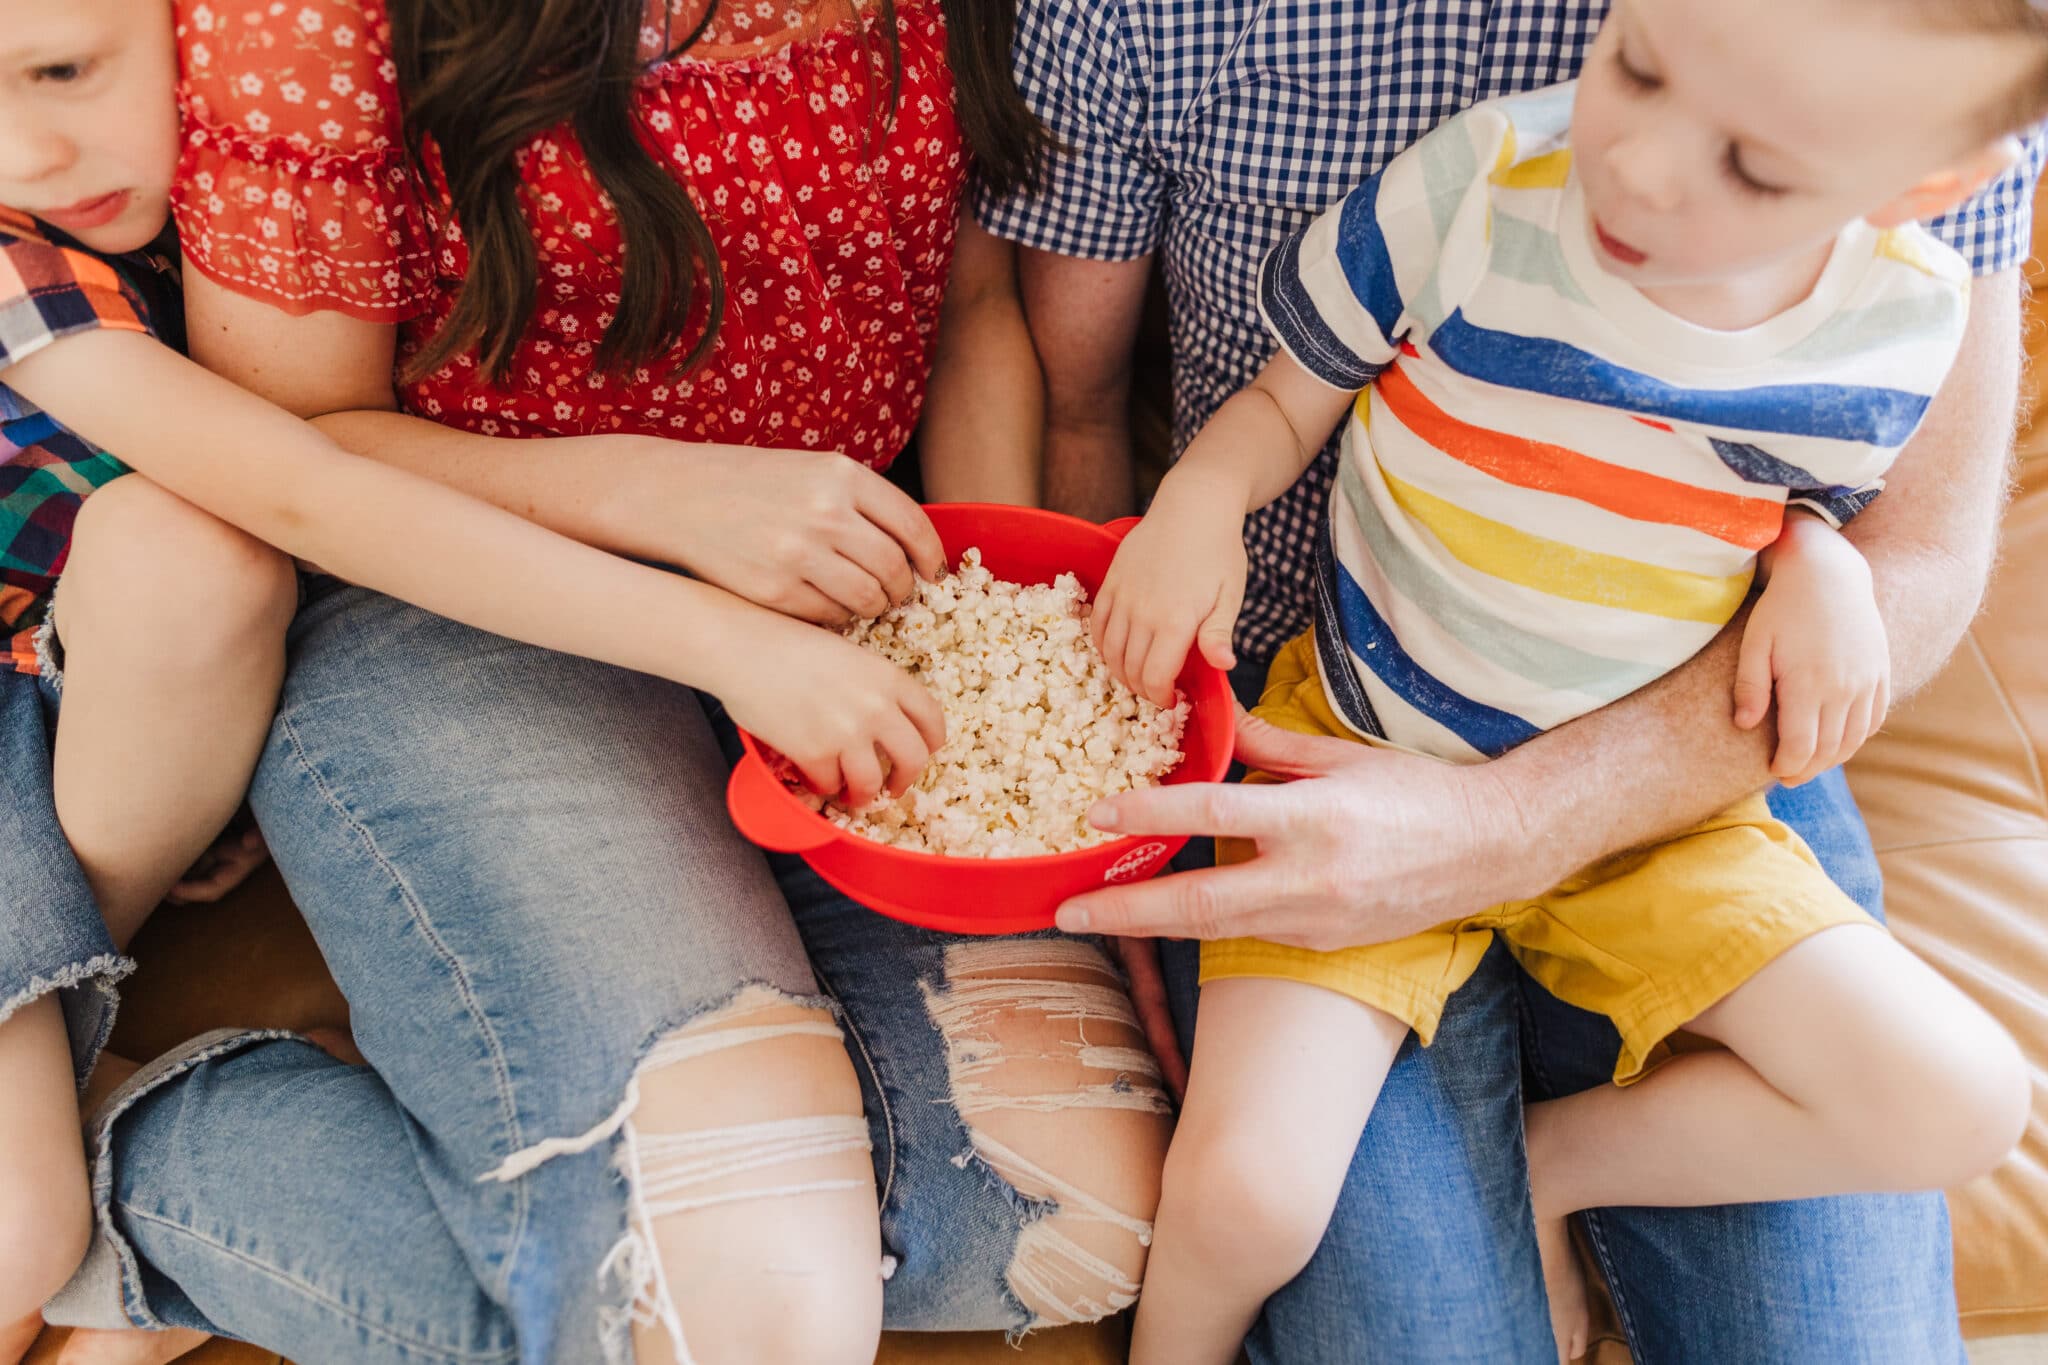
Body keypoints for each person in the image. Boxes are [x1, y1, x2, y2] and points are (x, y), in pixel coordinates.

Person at [32, 1, 1171, 1362]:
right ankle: (128, 1170)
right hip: (466, 610)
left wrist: (971, 649)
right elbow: (296, 449)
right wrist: (677, 504)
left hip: (843, 612)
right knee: (745, 1315)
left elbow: (969, 302)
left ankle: (491, 1176)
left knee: (1072, 1216)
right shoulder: (309, 22)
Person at [982, 0, 2044, 1359]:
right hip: (1352, 729)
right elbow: (1168, 397)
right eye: (1637, 68)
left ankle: (1563, 1164)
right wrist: (1178, 542)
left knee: (1952, 1102)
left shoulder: (1901, 289)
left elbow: (1847, 510)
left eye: (1756, 170)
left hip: (1678, 776)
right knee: (1266, 1206)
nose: (1645, 171)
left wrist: (1825, 573)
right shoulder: (1492, 174)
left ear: (1919, 192)